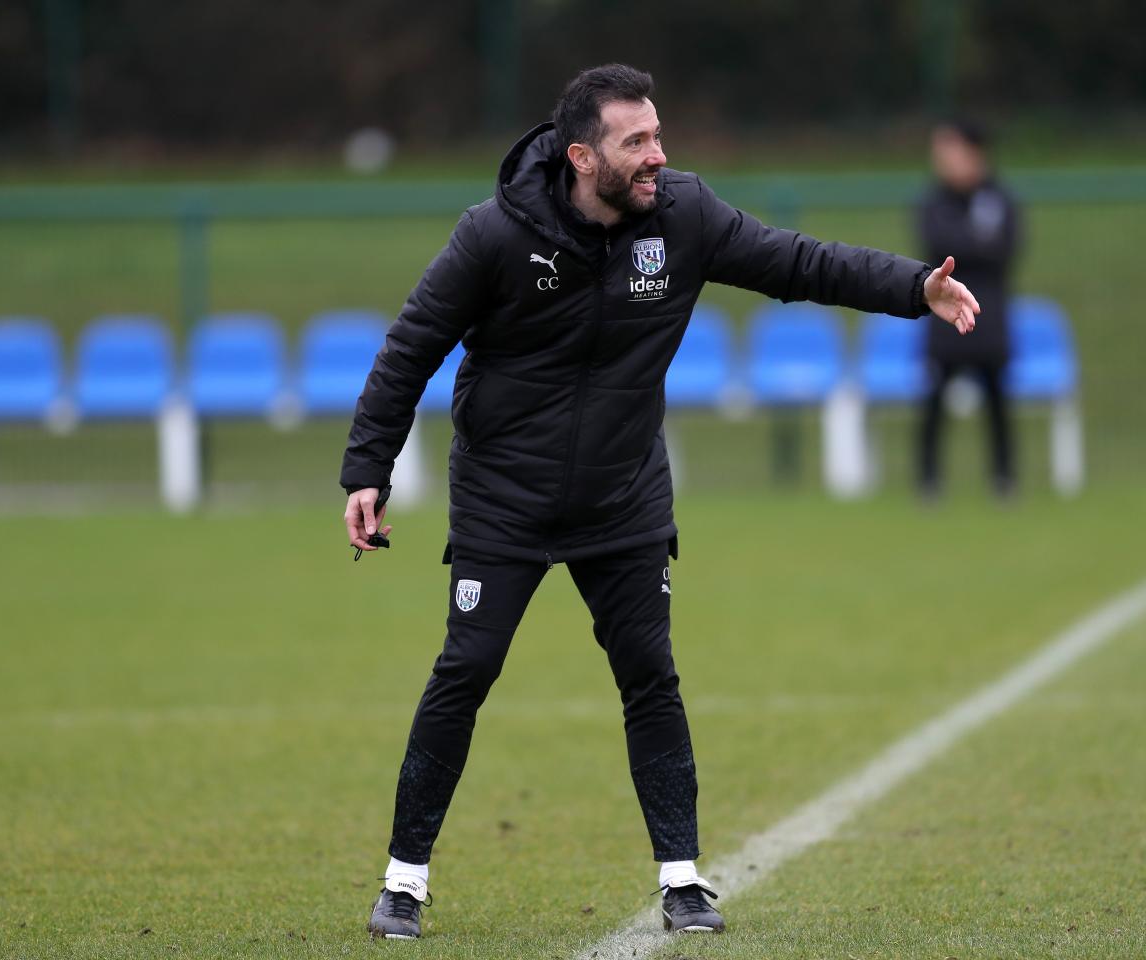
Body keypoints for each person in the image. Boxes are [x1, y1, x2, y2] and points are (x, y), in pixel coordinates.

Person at [341, 64, 978, 940]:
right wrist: (367, 469)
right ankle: (403, 883)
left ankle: (683, 881)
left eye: (658, 135)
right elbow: (411, 345)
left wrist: (914, 288)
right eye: (635, 141)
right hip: (504, 499)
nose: (657, 155)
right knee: (467, 671)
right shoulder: (493, 235)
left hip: (623, 498)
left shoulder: (685, 216)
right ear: (581, 157)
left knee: (650, 675)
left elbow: (799, 262)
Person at [916, 119, 1022, 499]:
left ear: (975, 153)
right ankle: (928, 480)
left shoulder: (999, 198)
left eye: (951, 150)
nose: (943, 160)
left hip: (989, 318)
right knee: (933, 400)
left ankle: (1004, 478)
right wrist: (976, 243)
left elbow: (1006, 249)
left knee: (997, 400)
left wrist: (967, 246)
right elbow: (937, 245)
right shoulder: (933, 201)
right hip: (944, 324)